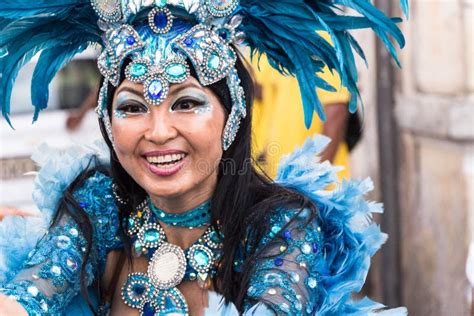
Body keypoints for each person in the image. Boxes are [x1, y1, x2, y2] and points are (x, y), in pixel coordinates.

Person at [0, 0, 408, 314]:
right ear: (107, 122)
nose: (158, 132)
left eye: (187, 103)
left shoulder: (282, 226)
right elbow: (27, 297)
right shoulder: (98, 206)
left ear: (231, 117)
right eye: (131, 107)